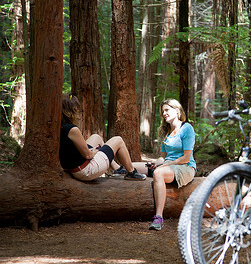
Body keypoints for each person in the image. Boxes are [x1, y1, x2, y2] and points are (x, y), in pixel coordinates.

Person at [132, 98, 196, 231]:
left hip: (185, 167)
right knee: (131, 166)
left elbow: (186, 158)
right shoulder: (166, 132)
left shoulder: (186, 128)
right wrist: (155, 163)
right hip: (168, 166)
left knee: (158, 173)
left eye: (167, 110)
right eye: (163, 111)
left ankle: (158, 217)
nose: (164, 113)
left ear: (177, 111)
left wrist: (163, 166)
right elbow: (163, 158)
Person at [59, 94, 146, 181]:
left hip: (74, 167)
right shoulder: (72, 129)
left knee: (96, 137)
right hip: (85, 171)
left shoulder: (61, 126)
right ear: (71, 111)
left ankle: (116, 168)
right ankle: (131, 172)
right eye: (76, 109)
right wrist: (96, 151)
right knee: (118, 140)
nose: (78, 112)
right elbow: (88, 155)